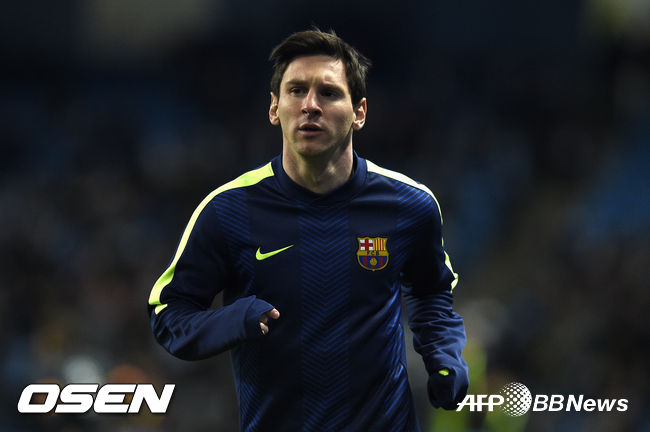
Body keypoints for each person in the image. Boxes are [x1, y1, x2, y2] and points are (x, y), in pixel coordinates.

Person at [148, 29, 469, 431]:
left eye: (329, 93)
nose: (310, 105)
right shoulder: (227, 210)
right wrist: (233, 320)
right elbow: (168, 314)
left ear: (359, 112)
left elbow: (430, 291)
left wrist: (444, 355)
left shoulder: (410, 205)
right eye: (296, 90)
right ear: (274, 107)